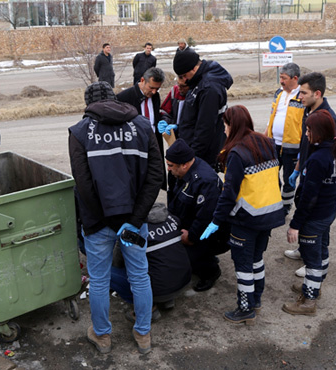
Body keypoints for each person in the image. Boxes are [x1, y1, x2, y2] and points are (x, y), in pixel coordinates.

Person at [68, 81, 163, 355]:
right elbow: (155, 176)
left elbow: (83, 184)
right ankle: (143, 335)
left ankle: (102, 336)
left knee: (98, 280)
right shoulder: (143, 126)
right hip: (134, 220)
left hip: (98, 223)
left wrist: (105, 220)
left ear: (88, 105)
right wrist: (134, 219)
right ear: (115, 98)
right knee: (139, 275)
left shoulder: (79, 131)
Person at [200, 105, 285, 325]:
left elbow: (229, 193)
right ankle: (256, 300)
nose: (224, 130)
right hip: (268, 215)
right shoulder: (266, 143)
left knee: (243, 265)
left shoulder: (237, 153)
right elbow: (276, 180)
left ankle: (245, 308)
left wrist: (216, 221)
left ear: (232, 125)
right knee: (257, 260)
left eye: (226, 125)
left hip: (246, 219)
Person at [282, 110, 336, 316]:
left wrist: (295, 224)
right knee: (322, 250)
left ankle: (309, 301)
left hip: (314, 217)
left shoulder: (319, 159)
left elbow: (309, 197)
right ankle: (315, 287)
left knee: (312, 260)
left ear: (319, 132)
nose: (307, 134)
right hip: (328, 213)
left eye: (309, 130)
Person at [284, 72, 336, 272]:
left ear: (317, 93)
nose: (300, 97)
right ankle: (304, 248)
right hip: (307, 171)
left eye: (304, 93)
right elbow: (304, 144)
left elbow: (331, 153)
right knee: (304, 206)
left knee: (316, 218)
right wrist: (298, 169)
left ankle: (315, 259)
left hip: (317, 176)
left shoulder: (327, 118)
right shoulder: (308, 112)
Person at [111, 203, 192, 318]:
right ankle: (166, 301)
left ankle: (149, 308)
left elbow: (116, 262)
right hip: (184, 280)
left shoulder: (131, 228)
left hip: (160, 289)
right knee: (161, 257)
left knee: (107, 271)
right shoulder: (171, 218)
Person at [166, 139, 226, 292]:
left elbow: (206, 218)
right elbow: (172, 199)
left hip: (209, 233)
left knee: (178, 261)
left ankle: (210, 271)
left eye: (170, 166)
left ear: (184, 164)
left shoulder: (206, 181)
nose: (168, 169)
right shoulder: (178, 171)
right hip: (188, 224)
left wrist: (191, 237)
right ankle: (201, 257)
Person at [173, 49, 233, 169]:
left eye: (184, 75)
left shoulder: (209, 88)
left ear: (194, 69)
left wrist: (193, 157)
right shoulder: (198, 80)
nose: (184, 80)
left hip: (201, 156)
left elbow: (205, 128)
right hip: (192, 149)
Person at [265, 62, 304, 217]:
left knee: (289, 179)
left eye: (284, 78)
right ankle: (274, 203)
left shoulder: (302, 96)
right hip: (274, 144)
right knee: (271, 176)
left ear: (295, 78)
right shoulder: (278, 93)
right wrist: (265, 135)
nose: (281, 81)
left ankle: (285, 207)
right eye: (280, 77)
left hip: (292, 147)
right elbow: (272, 116)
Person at [117, 67, 167, 187]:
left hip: (153, 144)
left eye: (157, 88)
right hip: (135, 146)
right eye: (151, 88)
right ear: (142, 80)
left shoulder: (155, 97)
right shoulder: (123, 98)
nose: (154, 92)